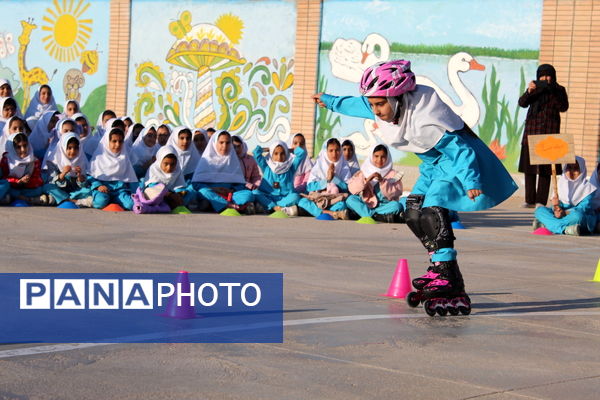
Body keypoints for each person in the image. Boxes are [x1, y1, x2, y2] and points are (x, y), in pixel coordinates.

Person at [313, 59, 517, 316]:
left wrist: (471, 181)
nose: (375, 111)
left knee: (432, 207)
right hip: (432, 166)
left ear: (397, 98)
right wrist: (329, 100)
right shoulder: (383, 104)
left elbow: (460, 150)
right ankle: (439, 267)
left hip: (454, 165)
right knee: (412, 211)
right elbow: (358, 104)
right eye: (373, 104)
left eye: (380, 104)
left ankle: (447, 272)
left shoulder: (425, 115)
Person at [518, 64, 569, 208]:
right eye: (542, 76)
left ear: (553, 76)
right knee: (529, 170)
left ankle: (540, 202)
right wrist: (529, 91)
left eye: (548, 75)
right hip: (531, 133)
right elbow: (522, 103)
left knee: (546, 171)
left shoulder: (559, 90)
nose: (545, 79)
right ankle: (529, 200)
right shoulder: (535, 89)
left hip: (549, 135)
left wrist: (552, 91)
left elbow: (563, 107)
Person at [189, 130, 254, 214]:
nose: (224, 146)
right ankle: (229, 205)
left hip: (230, 194)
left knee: (248, 194)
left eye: (227, 143)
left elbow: (241, 184)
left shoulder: (233, 160)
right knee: (204, 192)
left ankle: (217, 205)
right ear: (215, 143)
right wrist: (214, 189)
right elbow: (196, 184)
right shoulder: (206, 160)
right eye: (221, 142)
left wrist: (231, 190)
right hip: (211, 192)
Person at [533, 157, 597, 235]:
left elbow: (583, 209)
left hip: (572, 216)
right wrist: (556, 207)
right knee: (540, 210)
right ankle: (565, 229)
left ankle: (549, 225)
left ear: (582, 170)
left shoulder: (588, 188)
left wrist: (565, 213)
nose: (571, 172)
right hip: (561, 216)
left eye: (576, 168)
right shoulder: (560, 183)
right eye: (569, 168)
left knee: (578, 216)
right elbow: (556, 209)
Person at [346, 144, 403, 223]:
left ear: (387, 157)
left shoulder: (393, 174)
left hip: (384, 206)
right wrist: (367, 179)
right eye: (376, 156)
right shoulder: (363, 171)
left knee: (396, 205)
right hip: (366, 204)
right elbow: (352, 189)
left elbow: (396, 193)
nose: (379, 160)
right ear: (371, 156)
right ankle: (377, 216)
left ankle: (369, 215)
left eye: (383, 157)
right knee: (350, 199)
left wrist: (382, 181)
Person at [298, 138, 351, 220]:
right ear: (326, 151)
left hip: (334, 199)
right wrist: (326, 180)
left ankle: (319, 212)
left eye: (337, 150)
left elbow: (347, 188)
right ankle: (332, 213)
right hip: (318, 199)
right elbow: (309, 187)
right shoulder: (319, 165)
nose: (334, 154)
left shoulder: (344, 166)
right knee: (302, 202)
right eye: (331, 150)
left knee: (342, 205)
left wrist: (334, 179)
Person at [252, 140, 306, 216]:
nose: (279, 157)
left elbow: (301, 153)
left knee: (295, 196)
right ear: (271, 154)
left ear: (286, 154)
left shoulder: (291, 168)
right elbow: (256, 152)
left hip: (284, 198)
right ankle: (277, 208)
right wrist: (268, 149)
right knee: (255, 192)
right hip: (268, 197)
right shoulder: (267, 167)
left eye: (282, 153)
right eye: (276, 153)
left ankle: (270, 208)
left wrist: (289, 150)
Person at [88, 128, 137, 210]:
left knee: (130, 204)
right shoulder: (98, 158)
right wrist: (99, 186)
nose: (117, 145)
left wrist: (136, 194)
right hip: (102, 189)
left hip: (119, 191)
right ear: (107, 141)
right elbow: (90, 175)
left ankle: (113, 199)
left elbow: (131, 179)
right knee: (100, 202)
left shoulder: (124, 158)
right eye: (114, 141)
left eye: (120, 141)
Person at [41, 132, 91, 207]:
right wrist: (63, 173)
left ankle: (59, 199)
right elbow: (51, 181)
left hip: (74, 191)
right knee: (47, 187)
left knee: (88, 191)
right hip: (60, 189)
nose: (73, 151)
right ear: (63, 147)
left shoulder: (81, 160)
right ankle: (72, 200)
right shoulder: (54, 160)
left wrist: (80, 177)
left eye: (76, 148)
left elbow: (84, 184)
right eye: (69, 148)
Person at [0, 133, 45, 205]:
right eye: (18, 147)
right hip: (12, 186)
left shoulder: (34, 161)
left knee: (39, 190)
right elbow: (4, 177)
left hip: (27, 188)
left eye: (25, 145)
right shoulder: (6, 160)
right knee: (6, 186)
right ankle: (27, 199)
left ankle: (13, 198)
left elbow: (37, 178)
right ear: (12, 148)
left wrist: (27, 180)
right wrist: (18, 181)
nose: (23, 149)